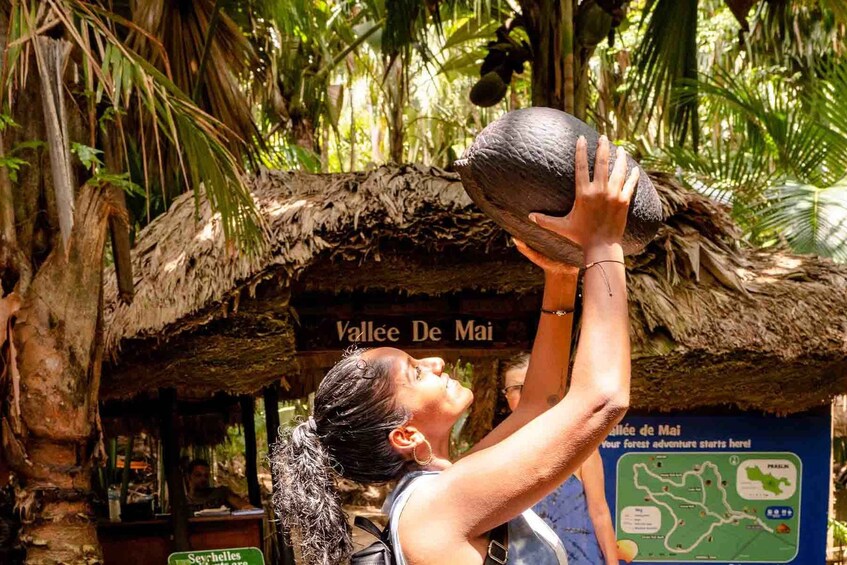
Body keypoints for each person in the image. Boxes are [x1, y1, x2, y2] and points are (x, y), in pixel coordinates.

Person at [273, 135, 638, 565]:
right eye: (415, 372)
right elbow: (602, 400)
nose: (436, 362)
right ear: (406, 435)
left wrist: (561, 278)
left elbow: (540, 404)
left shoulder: (445, 486)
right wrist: (602, 244)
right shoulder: (433, 508)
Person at [502, 353, 619, 564]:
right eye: (515, 388)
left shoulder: (580, 442)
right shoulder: (498, 449)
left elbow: (599, 512)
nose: (525, 393)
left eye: (530, 385)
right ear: (506, 396)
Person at [185, 459, 253, 512]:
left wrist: (245, 507)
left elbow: (242, 505)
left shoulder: (221, 493)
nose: (203, 479)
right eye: (198, 475)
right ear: (189, 477)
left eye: (206, 476)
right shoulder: (184, 502)